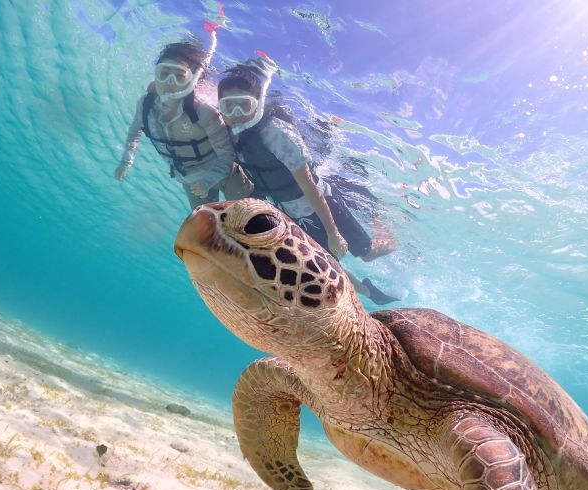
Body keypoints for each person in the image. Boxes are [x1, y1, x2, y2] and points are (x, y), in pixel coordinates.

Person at [217, 57, 398, 305]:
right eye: (229, 107)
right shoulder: (232, 134)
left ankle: (388, 232)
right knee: (319, 263)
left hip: (322, 204)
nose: (237, 114)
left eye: (244, 106)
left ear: (257, 104)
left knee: (366, 255)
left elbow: (309, 187)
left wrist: (333, 232)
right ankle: (369, 293)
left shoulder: (277, 134)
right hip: (289, 210)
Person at [115, 33, 250, 209]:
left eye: (180, 75)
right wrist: (126, 161)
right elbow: (134, 134)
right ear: (155, 75)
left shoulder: (204, 111)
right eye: (164, 73)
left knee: (250, 222)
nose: (170, 82)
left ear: (191, 80)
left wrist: (208, 181)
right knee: (207, 233)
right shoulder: (146, 105)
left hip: (227, 175)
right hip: (190, 180)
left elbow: (227, 155)